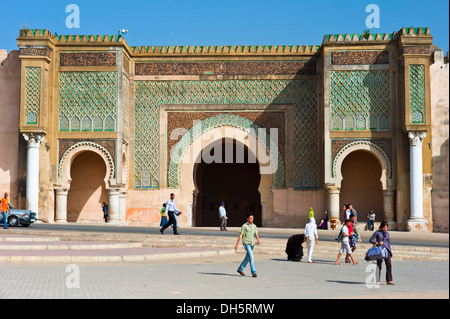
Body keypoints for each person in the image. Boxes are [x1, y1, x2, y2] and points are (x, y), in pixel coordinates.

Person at [235, 214, 260, 278]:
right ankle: (254, 272)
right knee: (251, 257)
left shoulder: (254, 226)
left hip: (252, 244)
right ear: (247, 219)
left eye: (252, 218)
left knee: (248, 258)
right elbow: (240, 235)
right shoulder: (244, 226)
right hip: (246, 243)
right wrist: (237, 245)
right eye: (251, 218)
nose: (252, 219)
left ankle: (240, 269)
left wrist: (258, 240)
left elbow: (256, 234)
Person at [369, 221, 394, 285]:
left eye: (386, 227)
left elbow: (388, 243)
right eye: (384, 227)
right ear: (381, 227)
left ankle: (389, 280)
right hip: (380, 250)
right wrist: (377, 243)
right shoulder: (377, 232)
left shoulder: (387, 233)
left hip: (386, 250)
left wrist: (390, 252)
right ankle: (377, 280)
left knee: (389, 264)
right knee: (379, 265)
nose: (385, 228)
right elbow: (371, 240)